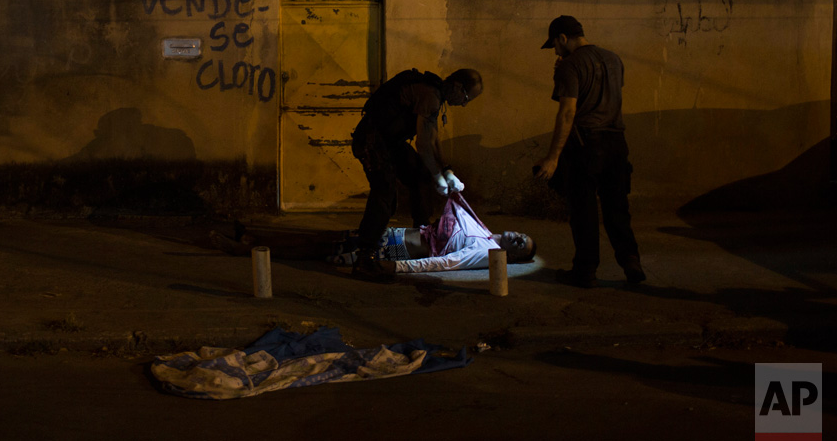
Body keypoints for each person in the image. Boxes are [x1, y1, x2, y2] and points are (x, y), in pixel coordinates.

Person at [533, 16, 645, 288]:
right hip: (617, 143)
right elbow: (606, 97)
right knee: (617, 207)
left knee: (583, 211)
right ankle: (631, 261)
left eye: (555, 46)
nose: (556, 52)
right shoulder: (614, 59)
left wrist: (553, 157)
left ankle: (585, 271)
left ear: (562, 38)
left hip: (586, 145)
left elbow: (568, 112)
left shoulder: (570, 65)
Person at [349, 67, 483, 282]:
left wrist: (446, 169)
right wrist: (438, 176)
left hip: (390, 142)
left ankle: (423, 236)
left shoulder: (435, 96)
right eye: (466, 97)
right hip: (372, 140)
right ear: (457, 86)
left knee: (419, 175)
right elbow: (423, 144)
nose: (464, 103)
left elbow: (432, 137)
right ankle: (365, 257)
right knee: (385, 193)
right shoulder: (429, 95)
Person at [208, 193, 536, 275]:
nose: (518, 237)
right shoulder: (483, 230)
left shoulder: (486, 253)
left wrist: (398, 268)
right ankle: (252, 241)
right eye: (523, 234)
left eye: (522, 246)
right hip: (392, 234)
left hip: (394, 251)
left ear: (514, 257)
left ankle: (245, 249)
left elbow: (445, 263)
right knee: (321, 238)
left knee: (315, 249)